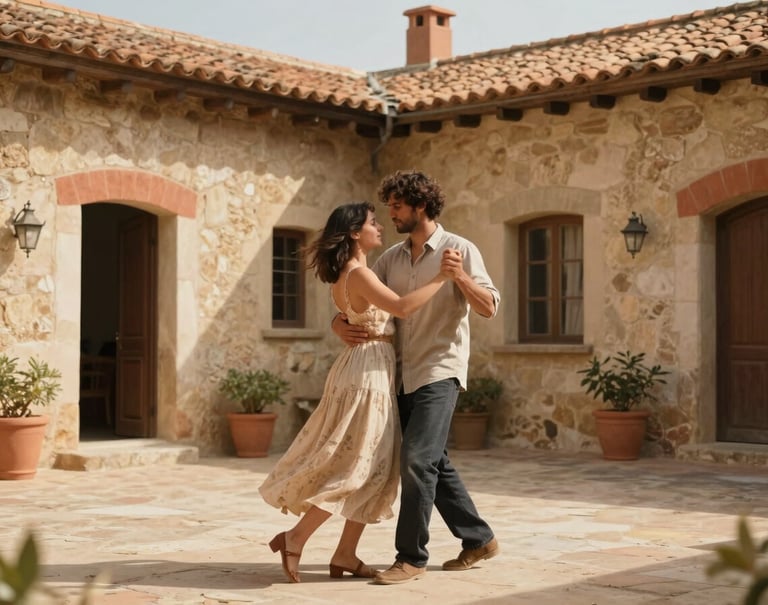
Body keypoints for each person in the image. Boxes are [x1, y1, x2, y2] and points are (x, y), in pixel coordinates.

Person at [258, 200, 448, 584]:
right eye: (372, 223)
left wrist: (336, 324)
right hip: (367, 375)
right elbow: (401, 307)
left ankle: (346, 553)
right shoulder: (358, 273)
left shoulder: (351, 273)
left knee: (374, 466)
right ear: (353, 233)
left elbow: (354, 315)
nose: (379, 226)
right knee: (358, 465)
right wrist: (442, 277)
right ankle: (296, 538)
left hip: (361, 367)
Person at [332, 170, 501, 585]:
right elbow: (365, 303)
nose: (390, 213)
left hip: (440, 371)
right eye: (388, 206)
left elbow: (489, 307)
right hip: (399, 375)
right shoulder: (390, 258)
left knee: (417, 459)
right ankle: (479, 538)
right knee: (432, 461)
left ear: (419, 206)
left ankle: (411, 557)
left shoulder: (460, 249)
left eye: (396, 205)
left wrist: (458, 276)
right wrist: (338, 324)